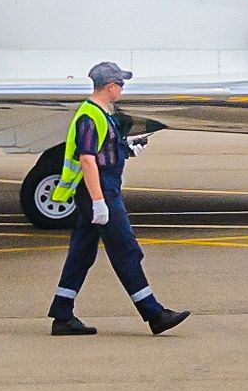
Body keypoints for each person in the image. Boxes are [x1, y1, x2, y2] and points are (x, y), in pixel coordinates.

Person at [50, 62, 188, 337]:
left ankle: (62, 314)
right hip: (101, 192)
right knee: (126, 250)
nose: (122, 88)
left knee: (81, 254)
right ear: (110, 86)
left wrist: (128, 149)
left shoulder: (102, 114)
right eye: (120, 84)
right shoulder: (90, 116)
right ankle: (154, 314)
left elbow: (104, 152)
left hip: (101, 190)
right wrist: (99, 203)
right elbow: (87, 160)